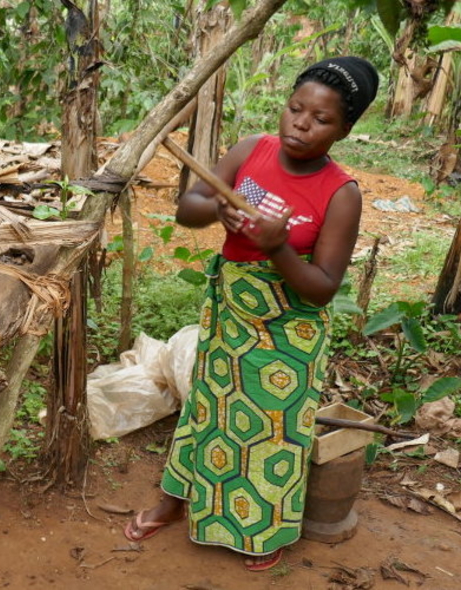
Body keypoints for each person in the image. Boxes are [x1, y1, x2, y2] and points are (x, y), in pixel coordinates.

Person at [123, 56, 380, 572]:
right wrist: (219, 208)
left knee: (272, 431)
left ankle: (261, 530)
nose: (300, 124)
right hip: (232, 314)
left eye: (321, 119)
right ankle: (175, 501)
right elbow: (188, 208)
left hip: (290, 332)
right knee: (206, 410)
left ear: (344, 130)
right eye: (295, 109)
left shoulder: (341, 193)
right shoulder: (250, 151)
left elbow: (322, 288)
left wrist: (277, 247)